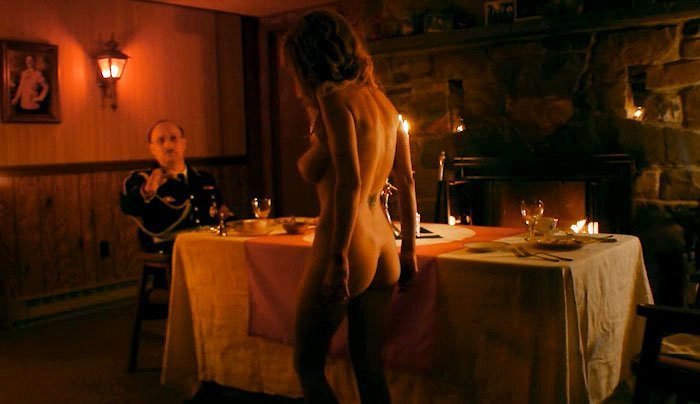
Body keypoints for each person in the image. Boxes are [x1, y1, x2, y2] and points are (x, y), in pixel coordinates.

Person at [284, 10, 418, 403]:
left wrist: (338, 259)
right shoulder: (384, 104)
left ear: (306, 59)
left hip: (349, 244)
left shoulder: (333, 98)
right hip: (384, 246)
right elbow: (408, 181)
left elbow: (350, 182)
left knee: (307, 364)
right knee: (368, 363)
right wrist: (408, 250)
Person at [120, 120, 228, 253]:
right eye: (161, 141)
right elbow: (128, 207)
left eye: (173, 138)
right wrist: (148, 190)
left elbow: (222, 212)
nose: (168, 145)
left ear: (184, 143)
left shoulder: (204, 178)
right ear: (151, 148)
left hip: (208, 248)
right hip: (169, 252)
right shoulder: (142, 180)